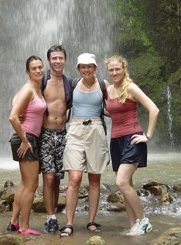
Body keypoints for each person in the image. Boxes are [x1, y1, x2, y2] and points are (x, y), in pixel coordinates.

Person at [105, 55, 159, 236]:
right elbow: (113, 113)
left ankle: (143, 220)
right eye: (111, 70)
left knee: (121, 182)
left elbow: (154, 109)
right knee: (126, 184)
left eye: (117, 69)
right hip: (115, 141)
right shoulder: (110, 89)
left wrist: (148, 135)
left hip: (132, 138)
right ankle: (133, 226)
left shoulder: (131, 87)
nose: (114, 72)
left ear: (124, 69)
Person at [59, 53, 110, 237]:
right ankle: (69, 223)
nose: (86, 69)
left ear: (95, 68)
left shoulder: (104, 85)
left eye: (89, 66)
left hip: (96, 129)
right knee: (74, 178)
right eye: (83, 66)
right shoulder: (72, 84)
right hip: (75, 130)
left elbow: (114, 106)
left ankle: (91, 221)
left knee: (95, 180)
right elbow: (57, 104)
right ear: (78, 68)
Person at [7, 55, 46, 236]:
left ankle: (14, 222)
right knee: (32, 185)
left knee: (24, 183)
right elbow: (12, 116)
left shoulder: (34, 89)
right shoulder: (29, 89)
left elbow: (14, 102)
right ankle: (25, 226)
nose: (38, 71)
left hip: (29, 137)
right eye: (34, 68)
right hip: (26, 138)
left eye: (40, 67)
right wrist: (24, 140)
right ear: (27, 71)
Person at [39, 45, 73, 233]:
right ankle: (50, 217)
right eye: (54, 58)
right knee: (49, 177)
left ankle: (54, 213)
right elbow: (25, 97)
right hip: (46, 134)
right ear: (49, 60)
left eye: (60, 58)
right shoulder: (42, 80)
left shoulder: (70, 82)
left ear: (65, 60)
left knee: (58, 178)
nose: (57, 61)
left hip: (63, 134)